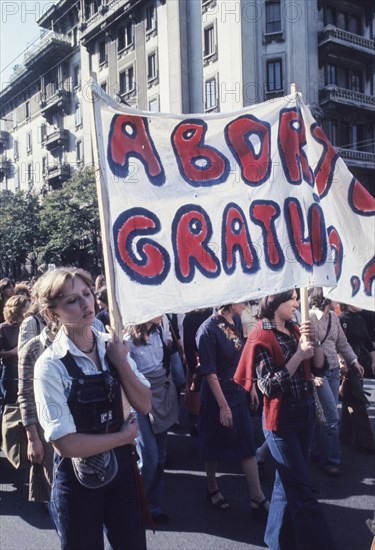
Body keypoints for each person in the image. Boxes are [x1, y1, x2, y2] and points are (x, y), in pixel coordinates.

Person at [33, 267, 151, 550]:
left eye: (86, 294)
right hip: (77, 480)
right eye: (72, 300)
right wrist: (123, 438)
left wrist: (121, 362)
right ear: (53, 313)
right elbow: (66, 444)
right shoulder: (50, 365)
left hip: (122, 471)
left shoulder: (113, 347)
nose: (86, 303)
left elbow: (145, 404)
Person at [234, 290, 336, 550]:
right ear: (275, 302)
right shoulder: (260, 335)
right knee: (302, 491)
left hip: (304, 415)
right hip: (280, 423)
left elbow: (318, 367)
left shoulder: (294, 327)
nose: (295, 303)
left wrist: (314, 341)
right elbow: (268, 386)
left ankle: (274, 542)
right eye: (291, 298)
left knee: (284, 486)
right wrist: (299, 356)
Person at [196, 303, 269, 517]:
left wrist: (251, 385)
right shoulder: (207, 330)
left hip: (237, 391)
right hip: (216, 396)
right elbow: (209, 373)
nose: (246, 303)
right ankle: (211, 488)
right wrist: (223, 405)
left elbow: (242, 358)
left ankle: (257, 496)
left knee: (247, 443)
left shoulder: (235, 320)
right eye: (241, 299)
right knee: (213, 444)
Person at [126, 317, 179, 525]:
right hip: (140, 398)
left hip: (162, 394)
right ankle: (135, 504)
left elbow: (165, 361)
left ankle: (153, 507)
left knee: (161, 456)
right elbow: (125, 374)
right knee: (149, 457)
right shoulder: (128, 340)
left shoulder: (159, 332)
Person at [308, 287, 364, 475]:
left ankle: (315, 451)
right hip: (318, 373)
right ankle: (331, 460)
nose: (338, 300)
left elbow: (342, 343)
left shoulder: (333, 317)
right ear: (324, 297)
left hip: (333, 371)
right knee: (331, 417)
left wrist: (354, 361)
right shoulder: (309, 317)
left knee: (323, 415)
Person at [339, 303, 375, 451]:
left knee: (351, 398)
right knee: (359, 399)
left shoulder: (360, 319)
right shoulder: (342, 320)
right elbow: (339, 344)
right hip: (348, 364)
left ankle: (345, 436)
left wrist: (373, 361)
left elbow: (368, 342)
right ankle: (366, 443)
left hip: (360, 363)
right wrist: (343, 365)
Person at [0, 295, 31, 406]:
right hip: (10, 372)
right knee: (10, 406)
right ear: (17, 309)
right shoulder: (3, 328)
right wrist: (12, 352)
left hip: (28, 372)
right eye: (28, 306)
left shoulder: (30, 325)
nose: (31, 308)